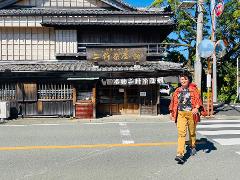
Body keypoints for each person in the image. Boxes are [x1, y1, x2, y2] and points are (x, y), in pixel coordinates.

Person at [169, 71, 206, 163]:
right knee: (181, 133)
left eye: (185, 79)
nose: (183, 80)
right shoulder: (177, 90)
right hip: (181, 114)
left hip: (191, 114)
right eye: (181, 79)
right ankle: (180, 154)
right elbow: (173, 103)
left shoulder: (194, 89)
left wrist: (197, 108)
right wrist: (171, 113)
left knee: (192, 132)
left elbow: (199, 100)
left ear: (189, 80)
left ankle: (193, 145)